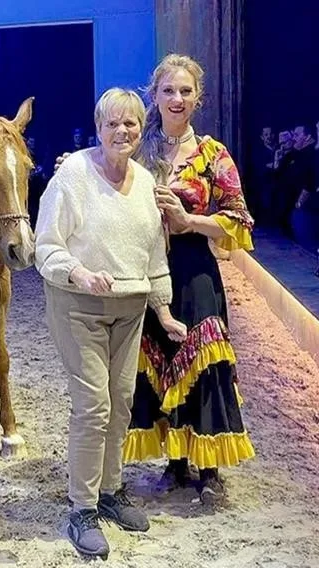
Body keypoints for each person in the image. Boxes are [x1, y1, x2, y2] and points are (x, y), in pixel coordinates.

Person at [35, 87, 186, 559]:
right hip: (78, 306)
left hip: (131, 308)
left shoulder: (144, 182)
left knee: (121, 402)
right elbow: (46, 247)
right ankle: (81, 508)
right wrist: (78, 272)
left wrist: (163, 310)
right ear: (98, 127)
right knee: (94, 404)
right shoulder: (73, 176)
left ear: (142, 130)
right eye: (113, 123)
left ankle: (110, 491)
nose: (123, 131)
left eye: (132, 124)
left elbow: (153, 254)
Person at [117, 54, 256, 503]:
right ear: (153, 97)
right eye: (168, 91)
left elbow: (239, 221)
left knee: (204, 364)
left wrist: (189, 220)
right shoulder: (137, 152)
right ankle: (175, 465)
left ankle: (210, 469)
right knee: (159, 362)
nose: (176, 99)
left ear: (198, 99)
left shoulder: (213, 155)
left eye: (185, 91)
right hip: (148, 273)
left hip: (196, 272)